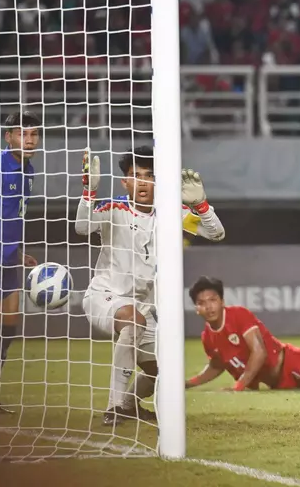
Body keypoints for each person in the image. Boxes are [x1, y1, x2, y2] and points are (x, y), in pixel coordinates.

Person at [78, 146, 226, 425]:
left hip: (144, 308)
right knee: (133, 322)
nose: (143, 182)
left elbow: (217, 233)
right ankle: (115, 407)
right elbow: (82, 227)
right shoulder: (115, 208)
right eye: (136, 176)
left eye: (149, 176)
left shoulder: (172, 213)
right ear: (126, 181)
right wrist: (89, 192)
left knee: (164, 371)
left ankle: (131, 406)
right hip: (105, 296)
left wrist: (201, 206)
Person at [0, 112, 40, 417]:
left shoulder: (28, 171)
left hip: (9, 261)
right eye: (23, 134)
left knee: (7, 331)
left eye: (34, 134)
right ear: (9, 137)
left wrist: (18, 252)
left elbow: (9, 216)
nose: (29, 140)